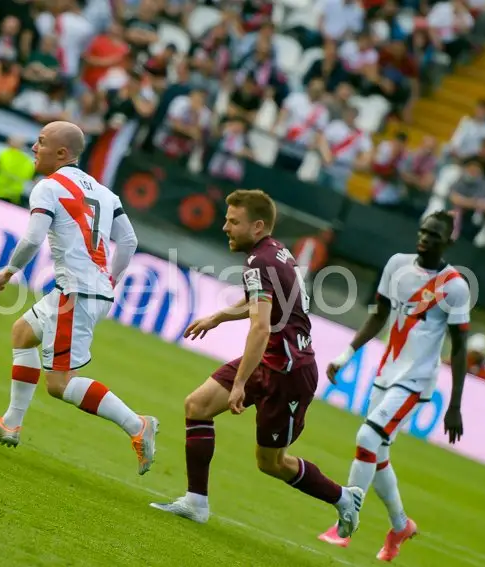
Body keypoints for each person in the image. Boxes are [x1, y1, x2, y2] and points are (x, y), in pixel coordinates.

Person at [149, 189, 365, 537]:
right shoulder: (274, 252)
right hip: (271, 360)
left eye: (234, 222)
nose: (225, 227)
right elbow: (261, 303)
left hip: (289, 373)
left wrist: (239, 384)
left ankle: (343, 497)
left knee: (271, 463)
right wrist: (219, 316)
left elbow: (261, 326)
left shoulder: (259, 262)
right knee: (198, 406)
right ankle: (195, 502)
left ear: (257, 226)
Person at [0, 121, 158, 476]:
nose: (34, 147)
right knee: (22, 333)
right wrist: (111, 280)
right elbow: (129, 241)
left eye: (41, 142)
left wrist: (8, 271)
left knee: (59, 384)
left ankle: (138, 425)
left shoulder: (49, 187)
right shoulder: (105, 193)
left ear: (61, 153)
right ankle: (11, 423)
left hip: (77, 293)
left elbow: (32, 239)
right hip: (84, 290)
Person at [318, 211, 471, 561]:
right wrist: (346, 355)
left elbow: (460, 348)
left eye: (434, 235)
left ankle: (345, 522)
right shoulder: (397, 264)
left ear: (449, 242)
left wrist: (455, 405)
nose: (425, 238)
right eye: (423, 231)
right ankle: (400, 526)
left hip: (416, 381)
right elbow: (379, 314)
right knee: (378, 454)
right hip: (385, 373)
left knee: (366, 438)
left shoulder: (455, 286)